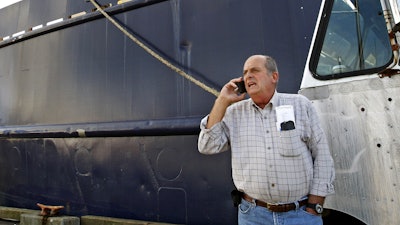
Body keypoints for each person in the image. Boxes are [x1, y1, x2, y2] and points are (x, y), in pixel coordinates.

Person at [198, 55, 335, 225]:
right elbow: (207, 145)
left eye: (255, 71)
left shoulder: (300, 105)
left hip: (300, 215)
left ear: (274, 77)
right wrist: (222, 101)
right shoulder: (234, 113)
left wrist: (315, 204)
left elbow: (322, 155)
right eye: (245, 73)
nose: (248, 76)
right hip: (253, 216)